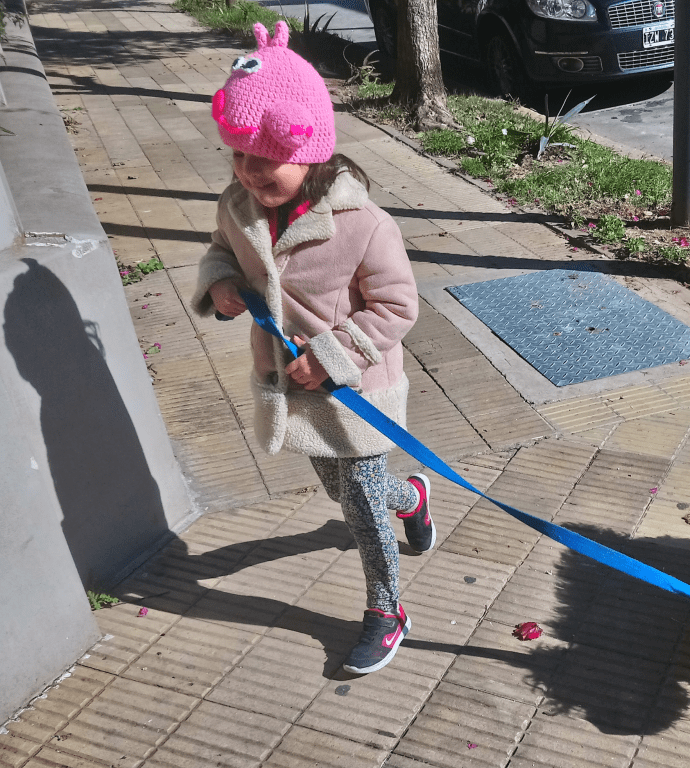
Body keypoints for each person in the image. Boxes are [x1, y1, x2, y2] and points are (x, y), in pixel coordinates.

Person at [191, 20, 433, 675]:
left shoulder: (364, 225)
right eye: (238, 156)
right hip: (285, 385)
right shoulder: (238, 205)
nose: (247, 171)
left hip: (356, 389)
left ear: (312, 151)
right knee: (339, 490)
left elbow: (396, 307)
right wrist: (220, 287)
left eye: (264, 159)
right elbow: (221, 252)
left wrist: (332, 356)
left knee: (357, 504)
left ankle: (388, 609)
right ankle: (411, 497)